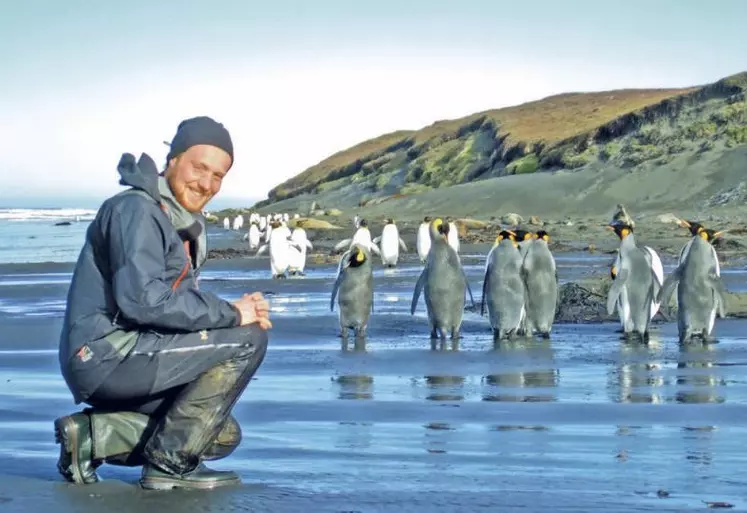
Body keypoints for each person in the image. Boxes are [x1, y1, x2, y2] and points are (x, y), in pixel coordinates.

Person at [54, 116, 272, 491]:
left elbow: (174, 304)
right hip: (104, 355)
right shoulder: (136, 211)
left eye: (218, 176)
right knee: (249, 339)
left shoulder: (173, 220)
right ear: (172, 160)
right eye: (199, 168)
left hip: (133, 354)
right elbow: (143, 301)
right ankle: (167, 468)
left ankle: (91, 435)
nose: (207, 183)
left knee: (219, 433)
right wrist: (234, 314)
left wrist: (232, 313)